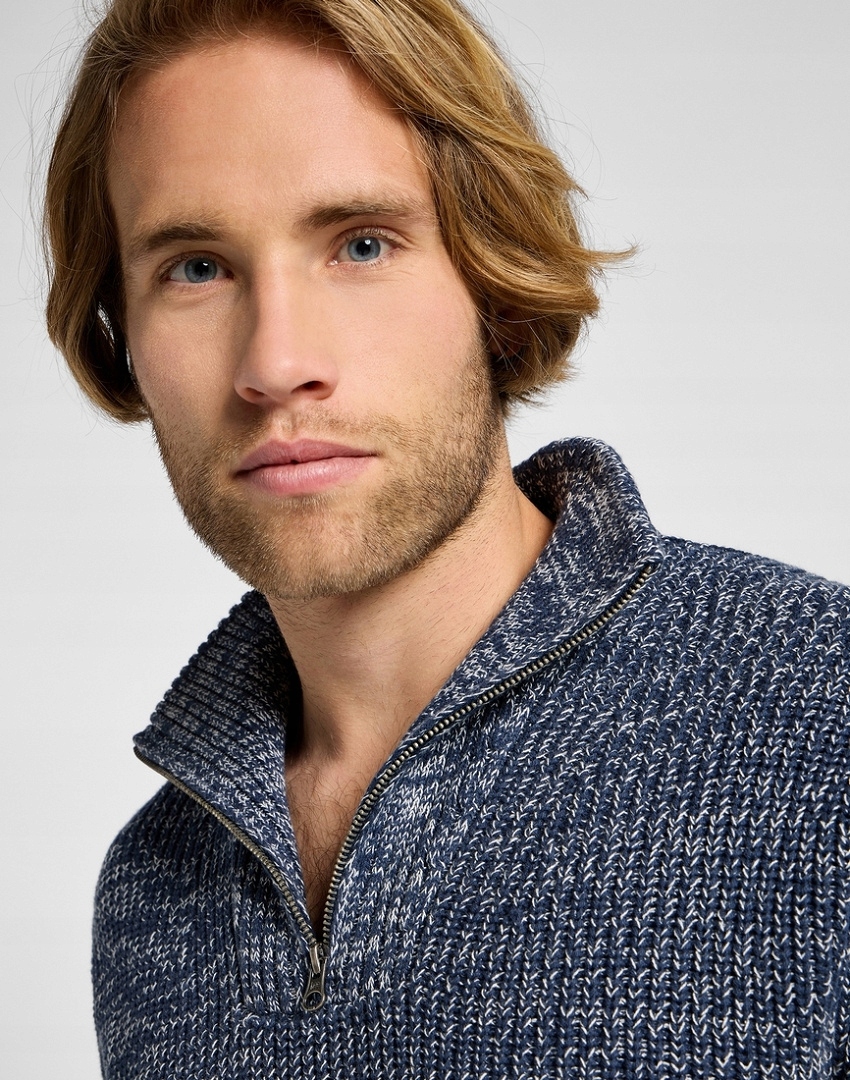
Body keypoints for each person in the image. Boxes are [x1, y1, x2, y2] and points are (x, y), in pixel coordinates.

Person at [44, 0, 850, 1076]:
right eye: (196, 267)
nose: (275, 364)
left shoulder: (818, 714)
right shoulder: (153, 891)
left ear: (493, 282)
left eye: (361, 245)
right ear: (123, 336)